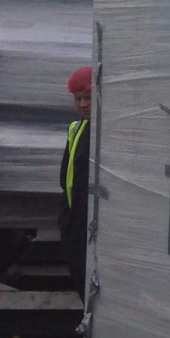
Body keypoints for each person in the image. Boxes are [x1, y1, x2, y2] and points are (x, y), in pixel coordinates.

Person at [62, 65, 93, 300]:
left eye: (88, 97)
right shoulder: (76, 127)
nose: (83, 104)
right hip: (75, 219)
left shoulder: (106, 130)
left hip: (92, 221)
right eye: (78, 98)